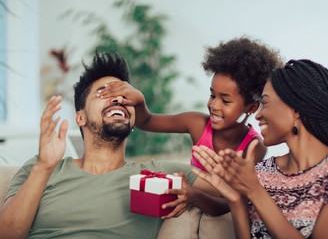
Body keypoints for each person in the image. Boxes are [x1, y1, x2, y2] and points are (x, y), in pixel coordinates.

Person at [0, 52, 223, 239]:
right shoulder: (39, 168)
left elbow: (234, 192)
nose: (118, 100)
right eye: (104, 93)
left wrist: (194, 195)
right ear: (80, 117)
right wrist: (43, 167)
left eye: (124, 95)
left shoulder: (158, 176)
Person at [192, 59, 328, 239]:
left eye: (265, 103)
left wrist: (255, 192)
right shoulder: (262, 173)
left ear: (296, 109)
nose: (258, 115)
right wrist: (236, 200)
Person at [95, 36, 283, 166]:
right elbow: (146, 121)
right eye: (212, 95)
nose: (214, 105)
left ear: (251, 107)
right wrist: (139, 100)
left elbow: (233, 201)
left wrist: (195, 195)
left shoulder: (254, 147)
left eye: (225, 101)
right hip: (188, 204)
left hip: (223, 212)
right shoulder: (197, 124)